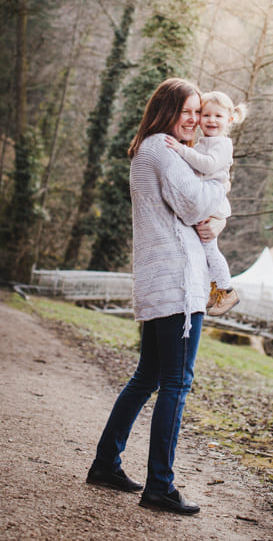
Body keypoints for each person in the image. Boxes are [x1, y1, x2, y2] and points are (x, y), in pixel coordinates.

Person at [86, 78, 227, 516]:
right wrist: (220, 200)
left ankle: (105, 463)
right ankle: (160, 487)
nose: (194, 119)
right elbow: (194, 204)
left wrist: (217, 216)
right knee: (175, 384)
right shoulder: (162, 150)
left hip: (166, 284)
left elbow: (202, 206)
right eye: (186, 111)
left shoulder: (156, 150)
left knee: (147, 377)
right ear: (166, 111)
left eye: (198, 112)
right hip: (176, 289)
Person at [165, 90, 247, 317]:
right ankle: (215, 287)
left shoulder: (222, 144)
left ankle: (226, 290)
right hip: (206, 200)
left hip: (212, 204)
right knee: (203, 248)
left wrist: (181, 150)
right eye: (206, 115)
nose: (211, 120)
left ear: (229, 119)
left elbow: (208, 166)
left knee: (210, 248)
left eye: (218, 116)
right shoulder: (204, 142)